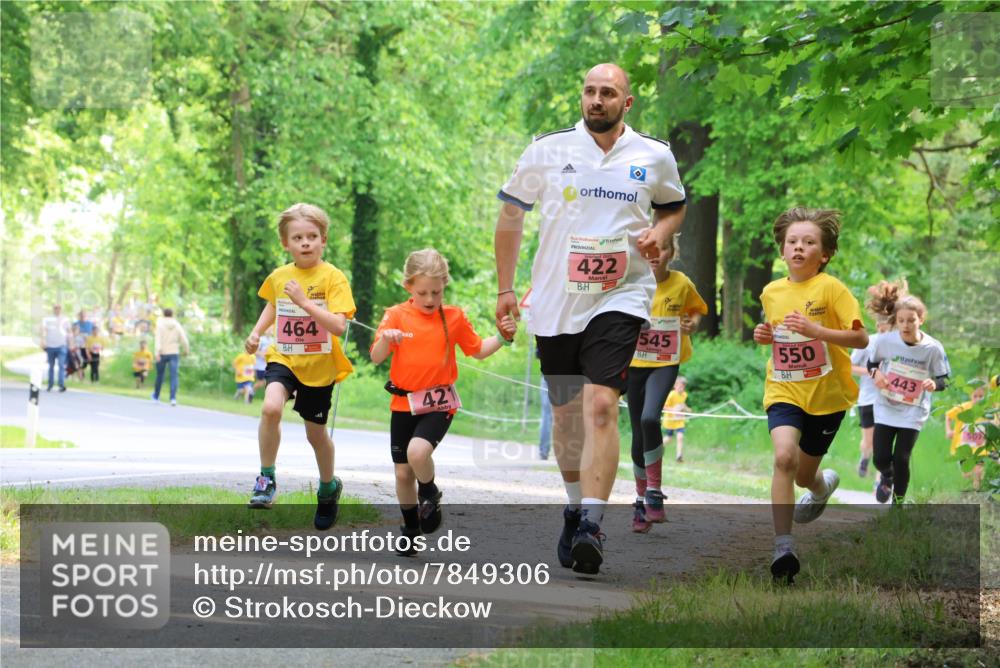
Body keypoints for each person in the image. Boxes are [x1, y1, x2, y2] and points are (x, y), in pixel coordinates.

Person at [494, 63, 687, 574]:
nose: (596, 100)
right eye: (589, 91)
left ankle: (594, 524)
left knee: (601, 404)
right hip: (557, 301)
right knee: (565, 418)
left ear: (627, 103)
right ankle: (575, 503)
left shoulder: (654, 155)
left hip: (621, 295)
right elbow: (511, 216)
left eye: (608, 93)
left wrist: (660, 233)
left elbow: (673, 207)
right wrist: (506, 288)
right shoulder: (548, 150)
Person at [372, 249, 517, 555]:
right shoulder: (396, 315)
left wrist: (503, 337)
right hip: (404, 403)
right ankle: (410, 526)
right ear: (408, 286)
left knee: (417, 452)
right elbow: (376, 356)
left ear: (444, 286)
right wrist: (388, 338)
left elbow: (477, 350)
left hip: (439, 402)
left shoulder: (453, 316)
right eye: (422, 292)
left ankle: (429, 491)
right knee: (401, 474)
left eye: (436, 292)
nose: (429, 299)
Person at [752, 207, 868, 583]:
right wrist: (765, 336)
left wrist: (817, 330)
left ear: (825, 253)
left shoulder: (831, 288)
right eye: (792, 242)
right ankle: (783, 546)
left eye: (809, 242)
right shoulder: (771, 292)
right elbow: (778, 334)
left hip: (828, 395)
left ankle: (820, 485)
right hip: (784, 388)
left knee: (803, 475)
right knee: (784, 458)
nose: (799, 248)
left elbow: (860, 338)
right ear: (782, 250)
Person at [244, 203, 355, 531]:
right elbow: (273, 305)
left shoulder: (333, 278)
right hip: (285, 358)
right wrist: (256, 332)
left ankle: (327, 488)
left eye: (312, 236)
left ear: (323, 240)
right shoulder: (280, 276)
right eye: (298, 237)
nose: (305, 242)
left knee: (315, 435)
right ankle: (266, 479)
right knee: (270, 408)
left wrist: (305, 303)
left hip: (319, 368)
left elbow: (338, 327)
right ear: (286, 243)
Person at [628, 234, 706, 533]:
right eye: (648, 249)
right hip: (634, 364)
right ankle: (639, 500)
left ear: (672, 253)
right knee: (637, 432)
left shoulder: (681, 283)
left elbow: (696, 310)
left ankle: (654, 492)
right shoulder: (631, 282)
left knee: (650, 418)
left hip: (665, 362)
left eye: (661, 249)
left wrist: (692, 323)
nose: (654, 254)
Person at [866, 280, 950, 504]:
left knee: (902, 458)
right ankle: (887, 474)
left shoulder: (933, 348)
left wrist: (935, 384)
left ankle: (898, 505)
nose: (905, 325)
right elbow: (871, 365)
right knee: (881, 458)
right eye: (901, 321)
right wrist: (877, 375)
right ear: (896, 321)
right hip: (886, 404)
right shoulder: (886, 341)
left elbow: (944, 379)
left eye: (911, 320)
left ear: (921, 320)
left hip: (913, 410)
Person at [850, 314, 892, 477]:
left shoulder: (899, 345)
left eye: (887, 328)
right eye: (880, 328)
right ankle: (865, 457)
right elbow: (850, 367)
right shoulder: (867, 343)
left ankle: (881, 478)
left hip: (889, 399)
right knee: (869, 442)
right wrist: (872, 372)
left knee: (884, 442)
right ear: (876, 325)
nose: (883, 331)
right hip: (868, 399)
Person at [945, 380, 992, 491]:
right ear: (970, 395)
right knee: (967, 474)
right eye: (975, 396)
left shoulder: (986, 410)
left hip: (979, 448)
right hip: (963, 447)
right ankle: (973, 485)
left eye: (981, 396)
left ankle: (977, 492)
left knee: (978, 471)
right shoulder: (963, 408)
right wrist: (948, 430)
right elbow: (948, 415)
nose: (977, 399)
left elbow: (992, 422)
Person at [151, 307, 190, 406]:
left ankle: (156, 396)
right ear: (172, 315)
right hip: (174, 353)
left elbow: (158, 339)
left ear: (164, 314)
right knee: (174, 376)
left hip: (162, 352)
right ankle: (173, 398)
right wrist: (186, 350)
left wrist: (157, 353)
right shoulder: (177, 325)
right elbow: (184, 339)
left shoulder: (160, 325)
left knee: (160, 375)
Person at [40, 304, 71, 392]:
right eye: (56, 308)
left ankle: (61, 385)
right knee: (51, 366)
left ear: (61, 309)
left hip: (62, 345)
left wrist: (71, 343)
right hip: (50, 346)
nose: (57, 310)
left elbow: (69, 332)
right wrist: (43, 341)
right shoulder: (48, 319)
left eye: (59, 308)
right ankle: (50, 385)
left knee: (61, 365)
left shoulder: (65, 319)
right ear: (53, 309)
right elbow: (43, 330)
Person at [662, 376, 690, 464]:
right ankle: (657, 448)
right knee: (669, 438)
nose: (682, 388)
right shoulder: (671, 395)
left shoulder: (684, 395)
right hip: (670, 420)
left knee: (680, 437)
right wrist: (673, 410)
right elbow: (664, 406)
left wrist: (687, 409)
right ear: (675, 386)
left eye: (683, 387)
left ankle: (679, 456)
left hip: (679, 420)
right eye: (680, 386)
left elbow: (682, 404)